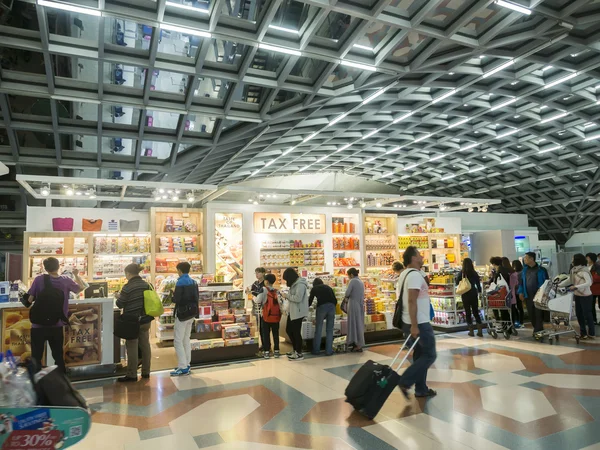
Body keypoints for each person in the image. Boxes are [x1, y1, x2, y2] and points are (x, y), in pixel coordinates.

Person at [27, 257, 87, 373]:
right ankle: (61, 379)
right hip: (57, 324)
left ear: (45, 268)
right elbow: (81, 288)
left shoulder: (39, 279)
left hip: (38, 325)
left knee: (36, 355)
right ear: (59, 266)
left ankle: (37, 381)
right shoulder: (66, 280)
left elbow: (30, 299)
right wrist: (76, 275)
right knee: (58, 355)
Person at [397, 246, 437, 399]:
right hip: (419, 322)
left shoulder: (405, 274)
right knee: (430, 355)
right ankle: (405, 381)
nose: (422, 257)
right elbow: (412, 300)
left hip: (413, 321)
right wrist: (414, 325)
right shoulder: (413, 275)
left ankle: (421, 389)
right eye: (420, 255)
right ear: (413, 258)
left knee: (421, 356)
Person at [115, 264, 154, 382]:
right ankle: (146, 372)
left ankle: (132, 374)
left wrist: (118, 296)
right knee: (145, 345)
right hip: (146, 320)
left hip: (132, 321)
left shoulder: (128, 287)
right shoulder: (147, 284)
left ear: (128, 273)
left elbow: (120, 304)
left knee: (131, 346)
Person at [171, 262, 199, 376]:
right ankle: (187, 364)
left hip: (182, 315)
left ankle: (182, 367)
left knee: (178, 340)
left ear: (180, 270)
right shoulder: (193, 282)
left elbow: (176, 299)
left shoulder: (180, 282)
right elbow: (197, 298)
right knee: (186, 339)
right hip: (191, 314)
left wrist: (172, 295)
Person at [561, 254, 595, 339]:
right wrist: (559, 284)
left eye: (573, 259)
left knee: (587, 314)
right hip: (577, 295)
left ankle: (592, 333)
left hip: (586, 296)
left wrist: (576, 287)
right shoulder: (573, 270)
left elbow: (589, 283)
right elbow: (570, 280)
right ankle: (583, 333)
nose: (571, 261)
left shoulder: (584, 270)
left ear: (577, 260)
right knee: (579, 314)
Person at [517, 252, 549, 336]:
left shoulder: (541, 270)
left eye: (526, 258)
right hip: (528, 295)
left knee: (538, 313)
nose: (524, 259)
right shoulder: (524, 271)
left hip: (539, 295)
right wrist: (521, 292)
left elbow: (546, 282)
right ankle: (537, 329)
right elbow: (521, 283)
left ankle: (537, 331)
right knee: (531, 314)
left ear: (532, 259)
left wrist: (544, 293)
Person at [282, 268, 309, 361]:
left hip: (298, 312)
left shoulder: (300, 284)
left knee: (296, 332)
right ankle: (295, 350)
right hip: (293, 311)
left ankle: (299, 353)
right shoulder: (295, 284)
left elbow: (298, 298)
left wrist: (286, 296)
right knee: (289, 330)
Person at [309, 278, 338, 356]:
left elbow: (310, 301)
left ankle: (316, 350)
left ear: (314, 284)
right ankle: (328, 351)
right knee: (329, 330)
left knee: (318, 329)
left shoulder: (314, 288)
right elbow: (335, 300)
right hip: (332, 306)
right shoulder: (328, 287)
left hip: (321, 307)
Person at [255, 273, 281, 358]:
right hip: (276, 316)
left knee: (265, 333)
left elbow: (258, 301)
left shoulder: (264, 289)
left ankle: (266, 352)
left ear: (266, 281)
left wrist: (253, 297)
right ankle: (277, 351)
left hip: (266, 316)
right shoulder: (277, 291)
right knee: (276, 333)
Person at [455, 258, 482, 337]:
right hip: (473, 293)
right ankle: (480, 330)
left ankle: (471, 331)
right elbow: (478, 283)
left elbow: (457, 282)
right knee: (475, 311)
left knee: (468, 312)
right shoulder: (474, 273)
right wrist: (479, 292)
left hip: (465, 294)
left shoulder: (462, 273)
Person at [345, 268, 365, 352]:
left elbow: (347, 293)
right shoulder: (360, 281)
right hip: (359, 304)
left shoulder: (352, 281)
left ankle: (355, 342)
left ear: (351, 275)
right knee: (358, 323)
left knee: (353, 323)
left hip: (353, 304)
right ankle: (359, 343)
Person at [247, 267, 266, 353]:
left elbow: (260, 295)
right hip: (255, 307)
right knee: (257, 327)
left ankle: (265, 345)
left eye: (258, 272)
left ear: (263, 273)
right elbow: (250, 291)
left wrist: (252, 293)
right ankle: (260, 344)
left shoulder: (265, 283)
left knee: (263, 327)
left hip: (263, 308)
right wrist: (248, 291)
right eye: (256, 273)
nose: (257, 274)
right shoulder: (255, 284)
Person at [489, 256, 512, 325]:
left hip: (501, 293)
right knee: (504, 309)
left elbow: (497, 282)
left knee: (502, 309)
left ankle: (504, 325)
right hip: (505, 292)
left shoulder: (499, 272)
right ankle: (508, 325)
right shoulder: (504, 270)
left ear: (494, 263)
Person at [502, 257, 520, 328]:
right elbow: (516, 284)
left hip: (505, 294)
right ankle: (514, 324)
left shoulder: (505, 274)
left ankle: (508, 325)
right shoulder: (514, 273)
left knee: (506, 311)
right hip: (512, 294)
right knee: (513, 309)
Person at [585, 253, 600, 324]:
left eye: (587, 257)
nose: (586, 259)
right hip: (590, 289)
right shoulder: (586, 267)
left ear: (591, 258)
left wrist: (590, 280)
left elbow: (597, 277)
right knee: (591, 306)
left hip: (597, 288)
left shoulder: (597, 266)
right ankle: (593, 320)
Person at [512, 260, 525, 327]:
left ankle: (519, 321)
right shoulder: (522, 272)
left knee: (517, 307)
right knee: (520, 307)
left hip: (516, 292)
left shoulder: (516, 274)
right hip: (519, 292)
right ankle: (521, 321)